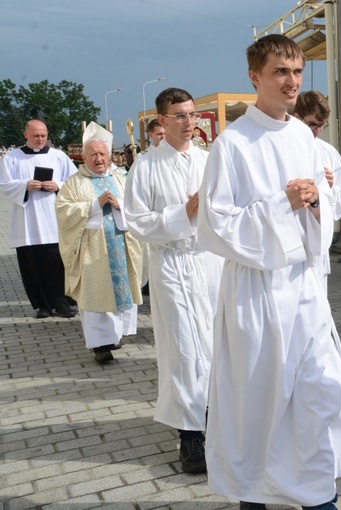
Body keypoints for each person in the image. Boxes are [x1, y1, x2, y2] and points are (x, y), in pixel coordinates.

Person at [197, 34, 341, 510]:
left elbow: (326, 208)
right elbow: (216, 225)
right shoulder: (232, 144)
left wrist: (316, 201)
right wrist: (282, 203)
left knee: (316, 394)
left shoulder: (303, 138)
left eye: (297, 72)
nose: (292, 82)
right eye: (280, 72)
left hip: (304, 287)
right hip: (255, 290)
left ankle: (317, 495)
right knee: (258, 403)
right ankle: (255, 496)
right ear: (255, 77)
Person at [124, 87, 223, 474]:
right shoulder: (145, 166)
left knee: (216, 343)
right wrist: (183, 213)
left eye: (192, 114)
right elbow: (136, 220)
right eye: (179, 115)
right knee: (183, 348)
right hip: (172, 263)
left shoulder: (209, 160)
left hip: (209, 263)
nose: (188, 122)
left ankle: (215, 417)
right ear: (161, 121)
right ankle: (189, 434)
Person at [55, 123, 143, 364]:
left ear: (109, 156)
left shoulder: (121, 179)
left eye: (102, 154)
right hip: (92, 250)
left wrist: (120, 205)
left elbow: (138, 207)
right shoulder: (74, 183)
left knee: (120, 293)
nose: (98, 159)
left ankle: (116, 335)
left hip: (121, 244)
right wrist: (94, 205)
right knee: (95, 295)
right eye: (92, 154)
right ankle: (100, 345)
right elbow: (63, 211)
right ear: (83, 157)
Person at [0, 119, 78, 319]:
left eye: (43, 135)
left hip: (52, 219)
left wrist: (58, 185)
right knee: (31, 264)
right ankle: (41, 305)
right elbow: (3, 185)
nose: (40, 139)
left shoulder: (58, 156)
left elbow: (75, 182)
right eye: (36, 136)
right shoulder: (12, 158)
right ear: (25, 134)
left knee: (55, 263)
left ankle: (60, 302)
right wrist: (24, 185)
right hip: (27, 221)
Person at [293, 90, 341, 292]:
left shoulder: (327, 152)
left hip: (318, 247)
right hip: (292, 243)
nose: (317, 131)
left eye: (322, 125)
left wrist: (329, 189)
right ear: (296, 117)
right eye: (312, 124)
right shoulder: (283, 149)